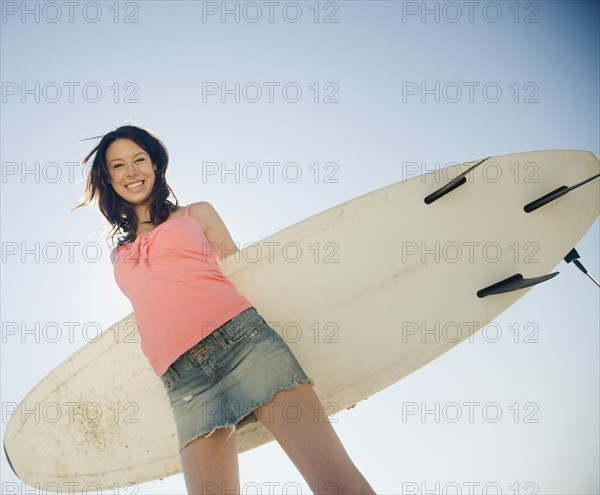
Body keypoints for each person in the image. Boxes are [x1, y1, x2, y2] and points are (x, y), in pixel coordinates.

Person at [76, 125, 376, 495]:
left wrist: (340, 381)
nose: (131, 171)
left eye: (139, 159)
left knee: (335, 483)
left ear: (156, 164)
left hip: (244, 345)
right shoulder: (118, 255)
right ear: (108, 177)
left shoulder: (196, 214)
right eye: (119, 165)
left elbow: (246, 275)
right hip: (184, 382)